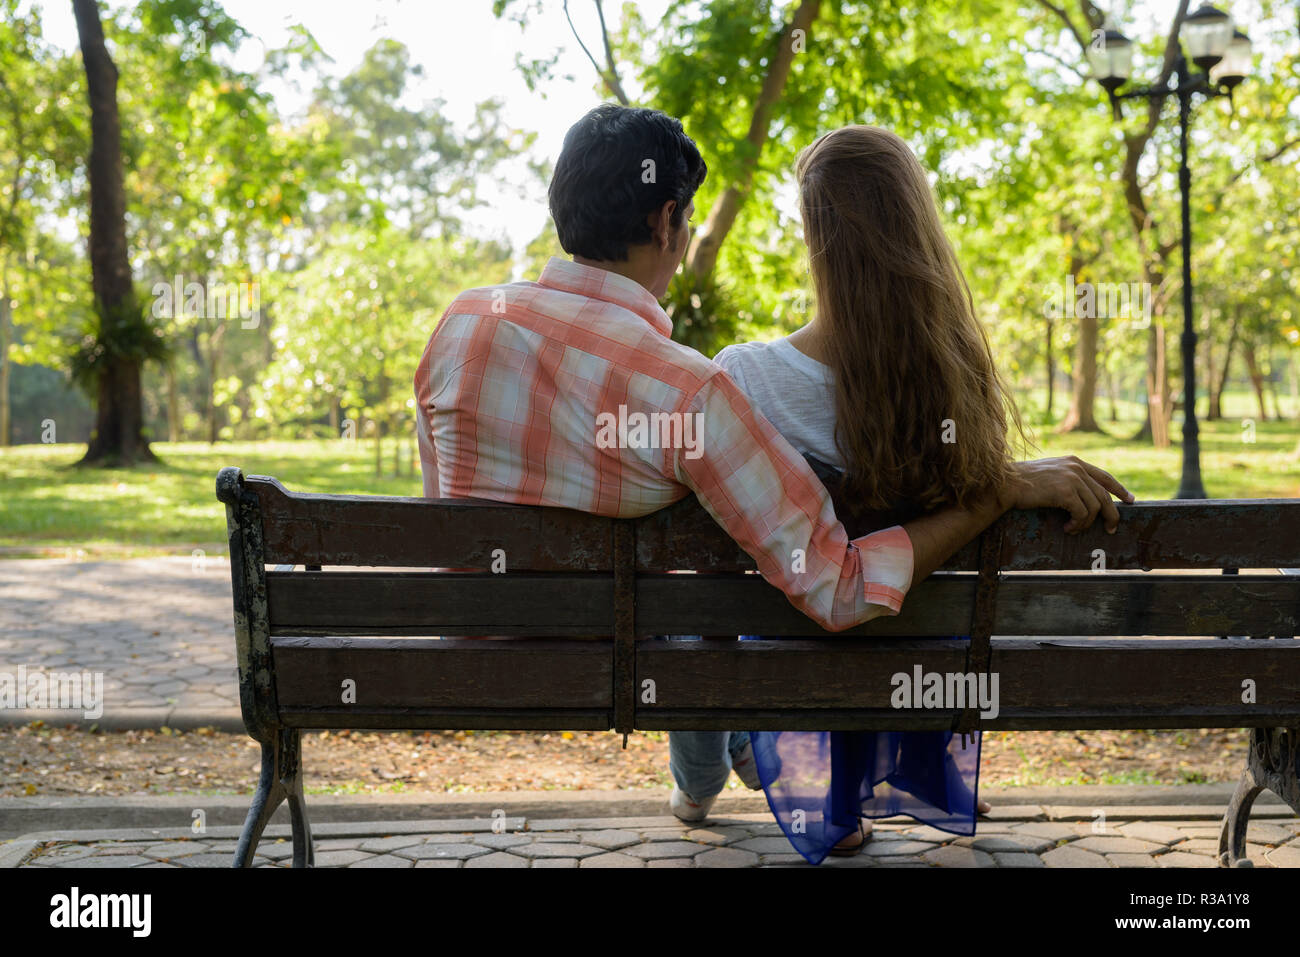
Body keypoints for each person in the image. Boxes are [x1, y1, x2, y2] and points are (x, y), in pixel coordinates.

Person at [413, 104, 1132, 833]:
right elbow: (837, 586)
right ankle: (755, 756)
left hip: (477, 648)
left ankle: (732, 763)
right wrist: (996, 490)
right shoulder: (688, 391)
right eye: (688, 223)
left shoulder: (463, 324)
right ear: (667, 223)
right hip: (635, 658)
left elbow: (443, 501)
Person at [688, 124, 1133, 864]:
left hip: (790, 665)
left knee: (731, 599)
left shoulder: (743, 378)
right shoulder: (958, 381)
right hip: (921, 673)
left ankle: (815, 792)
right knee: (906, 600)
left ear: (814, 240)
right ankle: (895, 773)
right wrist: (1006, 484)